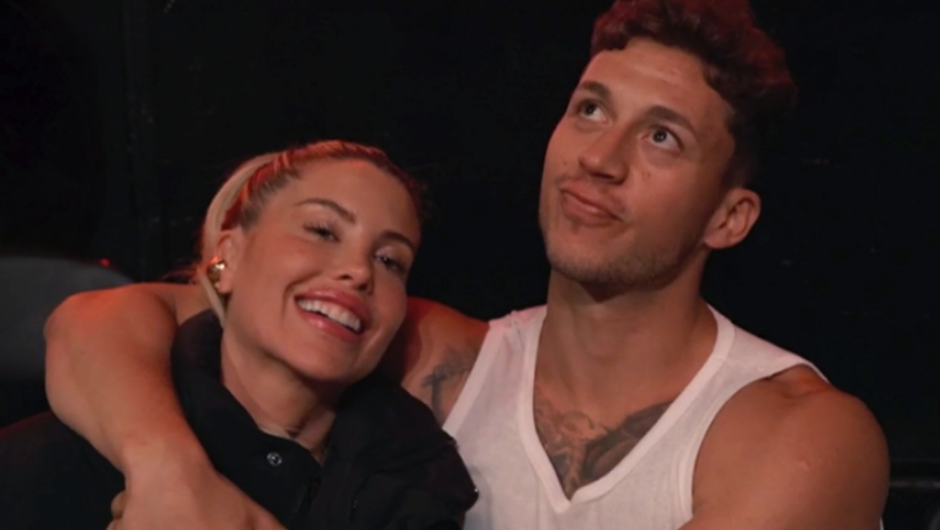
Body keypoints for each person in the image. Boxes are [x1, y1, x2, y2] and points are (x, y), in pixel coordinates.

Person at [43, 0, 890, 529]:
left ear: (729, 218)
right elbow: (98, 321)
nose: (601, 158)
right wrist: (169, 473)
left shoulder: (798, 433)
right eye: (591, 110)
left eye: (662, 137)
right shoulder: (442, 359)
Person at [0, 140, 477, 529]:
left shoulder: (420, 487)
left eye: (390, 260)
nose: (359, 270)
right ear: (228, 258)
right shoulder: (55, 462)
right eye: (322, 230)